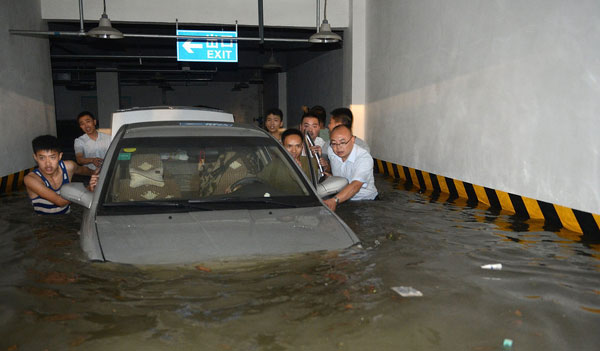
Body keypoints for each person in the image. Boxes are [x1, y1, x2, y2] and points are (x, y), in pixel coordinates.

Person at [24, 135, 92, 215]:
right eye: (42, 158)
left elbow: (85, 170)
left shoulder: (68, 167)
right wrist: (89, 188)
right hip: (44, 223)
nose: (48, 163)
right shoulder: (31, 179)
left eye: (52, 157)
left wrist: (98, 173)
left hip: (66, 218)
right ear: (35, 157)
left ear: (60, 156)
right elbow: (60, 202)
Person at [323, 125, 378, 211]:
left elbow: (356, 185)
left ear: (352, 140)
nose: (338, 147)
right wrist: (328, 171)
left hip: (365, 201)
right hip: (340, 197)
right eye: (334, 143)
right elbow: (334, 167)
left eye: (343, 142)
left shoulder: (364, 158)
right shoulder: (331, 151)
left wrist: (334, 200)